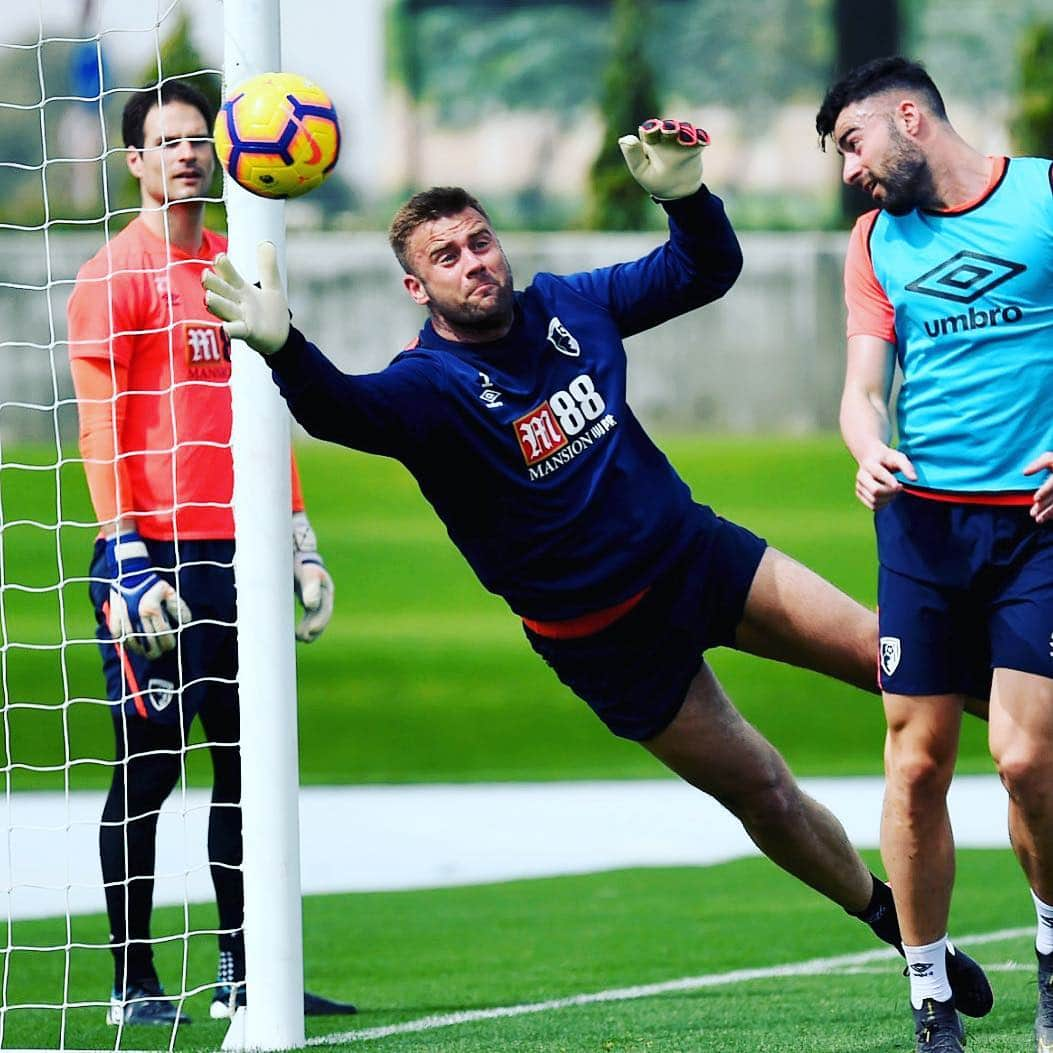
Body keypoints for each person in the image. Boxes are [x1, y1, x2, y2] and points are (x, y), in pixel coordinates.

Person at [203, 116, 993, 1030]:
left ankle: (1037, 748)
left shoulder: (568, 305)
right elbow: (345, 410)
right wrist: (284, 350)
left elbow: (703, 271)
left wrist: (686, 199)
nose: (474, 261)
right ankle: (892, 921)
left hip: (696, 557)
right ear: (418, 288)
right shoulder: (428, 387)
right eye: (447, 256)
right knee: (763, 789)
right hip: (602, 638)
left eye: (481, 240)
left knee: (890, 652)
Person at [66, 80, 355, 1026]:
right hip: (151, 559)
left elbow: (266, 413)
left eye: (200, 139)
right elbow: (98, 428)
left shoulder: (240, 268)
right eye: (168, 142)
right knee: (148, 770)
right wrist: (122, 553)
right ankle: (130, 983)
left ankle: (248, 973)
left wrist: (299, 539)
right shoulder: (112, 274)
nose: (188, 155)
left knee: (247, 763)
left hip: (242, 550)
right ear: (136, 163)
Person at [816, 55, 1053, 1052]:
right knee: (916, 768)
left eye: (851, 144)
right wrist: (867, 448)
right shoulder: (874, 242)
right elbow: (862, 389)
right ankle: (929, 994)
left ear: (908, 118)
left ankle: (1050, 951)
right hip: (920, 526)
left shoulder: (1045, 197)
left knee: (1027, 757)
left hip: (1036, 526)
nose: (846, 173)